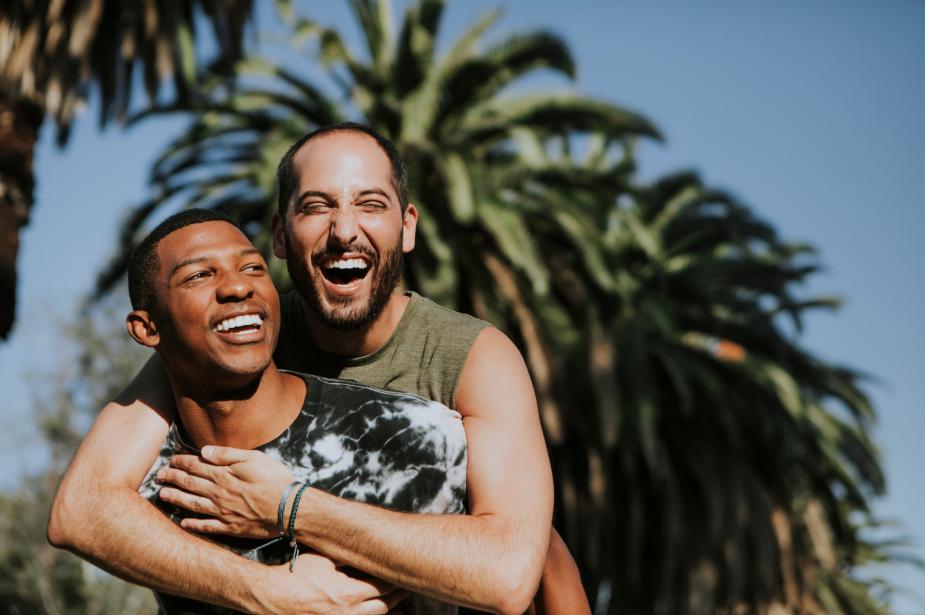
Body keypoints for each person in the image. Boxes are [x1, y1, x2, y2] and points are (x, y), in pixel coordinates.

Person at [48, 123, 591, 614]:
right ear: (281, 235)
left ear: (406, 227)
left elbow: (513, 568)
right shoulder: (243, 334)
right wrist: (268, 591)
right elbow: (83, 508)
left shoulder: (472, 357)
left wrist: (289, 507)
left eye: (371, 204)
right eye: (316, 207)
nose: (344, 231)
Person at [125, 209, 467, 613]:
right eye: (199, 275)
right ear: (147, 329)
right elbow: (76, 516)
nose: (236, 287)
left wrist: (294, 508)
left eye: (253, 267)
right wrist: (268, 592)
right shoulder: (145, 487)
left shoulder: (404, 435)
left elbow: (530, 565)